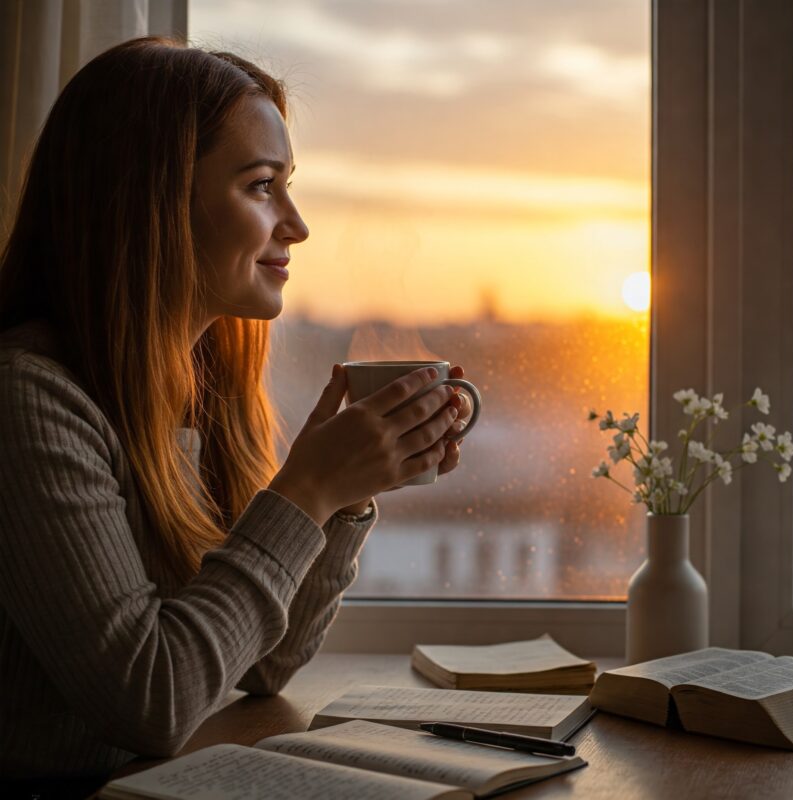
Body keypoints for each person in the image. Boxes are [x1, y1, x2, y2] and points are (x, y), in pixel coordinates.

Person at [0, 36, 471, 793]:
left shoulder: (198, 392)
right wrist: (304, 494)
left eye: (288, 184)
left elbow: (259, 662)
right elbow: (152, 702)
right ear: (148, 201)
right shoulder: (29, 399)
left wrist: (344, 495)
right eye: (261, 186)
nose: (296, 224)